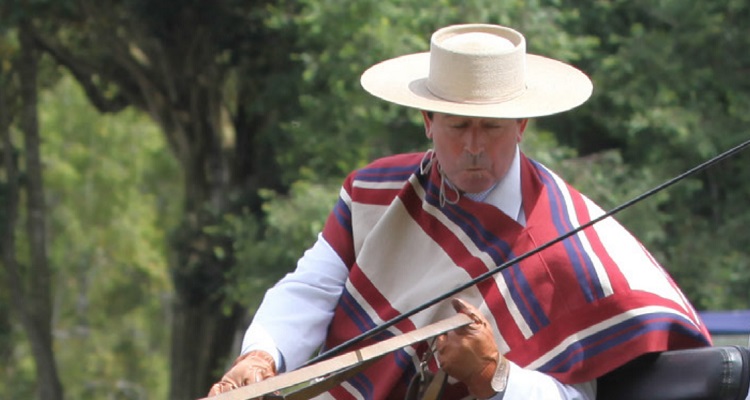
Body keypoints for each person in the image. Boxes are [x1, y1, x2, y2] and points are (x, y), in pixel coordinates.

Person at [208, 23, 712, 399]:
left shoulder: (577, 250)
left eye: (491, 128)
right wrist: (261, 355)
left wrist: (497, 376)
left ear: (522, 125)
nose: (474, 146)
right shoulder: (376, 190)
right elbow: (312, 287)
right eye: (457, 125)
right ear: (427, 120)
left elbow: (584, 396)